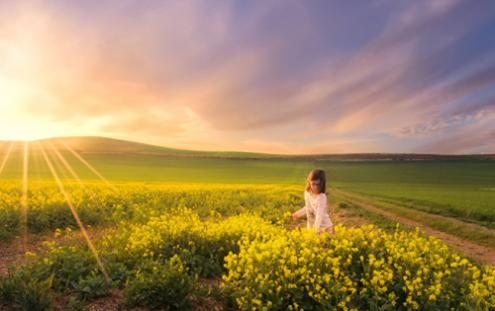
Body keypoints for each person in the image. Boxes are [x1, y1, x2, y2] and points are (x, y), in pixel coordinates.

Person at [292, 169, 335, 235]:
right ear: (309, 182)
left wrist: (315, 230)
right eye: (313, 184)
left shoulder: (321, 197)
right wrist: (298, 214)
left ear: (322, 184)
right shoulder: (307, 193)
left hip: (326, 228)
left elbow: (319, 215)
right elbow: (309, 207)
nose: (315, 187)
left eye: (318, 185)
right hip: (312, 228)